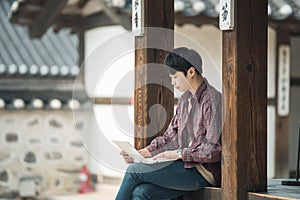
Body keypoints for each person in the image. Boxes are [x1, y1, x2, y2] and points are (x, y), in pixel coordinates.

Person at [115, 47, 222, 200]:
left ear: (191, 72)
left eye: (175, 77)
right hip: (184, 167)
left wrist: (178, 153)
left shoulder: (211, 100)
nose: (172, 82)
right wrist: (140, 154)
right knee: (141, 193)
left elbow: (213, 149)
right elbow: (170, 138)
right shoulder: (185, 99)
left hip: (202, 172)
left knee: (134, 171)